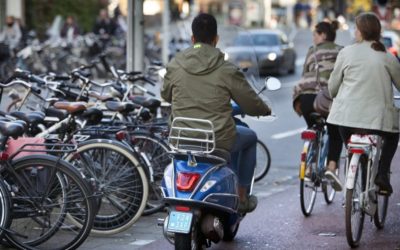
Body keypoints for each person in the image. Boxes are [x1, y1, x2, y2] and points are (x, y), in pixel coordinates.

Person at [161, 13, 271, 213]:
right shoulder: (226, 69)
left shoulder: (175, 64)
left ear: (192, 39)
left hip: (181, 138)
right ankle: (243, 197)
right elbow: (251, 103)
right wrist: (264, 109)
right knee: (250, 137)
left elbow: (166, 94)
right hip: (216, 140)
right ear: (216, 39)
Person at [327, 12, 400, 196]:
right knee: (392, 136)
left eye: (355, 28)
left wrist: (335, 93)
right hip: (377, 121)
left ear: (360, 31)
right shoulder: (386, 56)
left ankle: (355, 165)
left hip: (345, 120)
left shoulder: (346, 52)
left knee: (352, 147)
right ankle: (382, 175)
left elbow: (332, 88)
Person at [292, 21, 343, 191]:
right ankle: (331, 168)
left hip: (306, 99)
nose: (313, 37)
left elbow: (304, 74)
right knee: (335, 133)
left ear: (324, 35)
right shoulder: (340, 51)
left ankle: (309, 167)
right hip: (326, 100)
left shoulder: (311, 52)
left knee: (313, 129)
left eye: (315, 34)